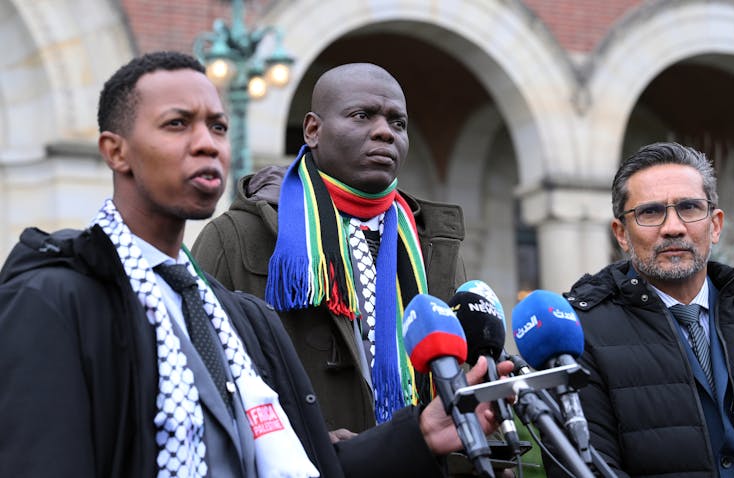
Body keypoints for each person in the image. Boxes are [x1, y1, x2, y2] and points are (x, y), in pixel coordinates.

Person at [0, 51, 510, 478]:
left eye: (218, 126)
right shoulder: (53, 297)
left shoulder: (237, 315)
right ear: (115, 151)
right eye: (178, 124)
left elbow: (292, 461)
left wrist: (421, 434)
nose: (207, 143)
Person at [191, 63, 466, 438]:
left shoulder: (433, 248)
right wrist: (312, 442)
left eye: (398, 123)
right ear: (313, 130)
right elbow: (200, 381)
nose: (385, 132)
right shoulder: (236, 236)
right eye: (362, 115)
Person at [546, 142, 734, 477]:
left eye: (689, 207)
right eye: (651, 212)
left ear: (715, 225)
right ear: (622, 234)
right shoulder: (578, 333)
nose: (673, 227)